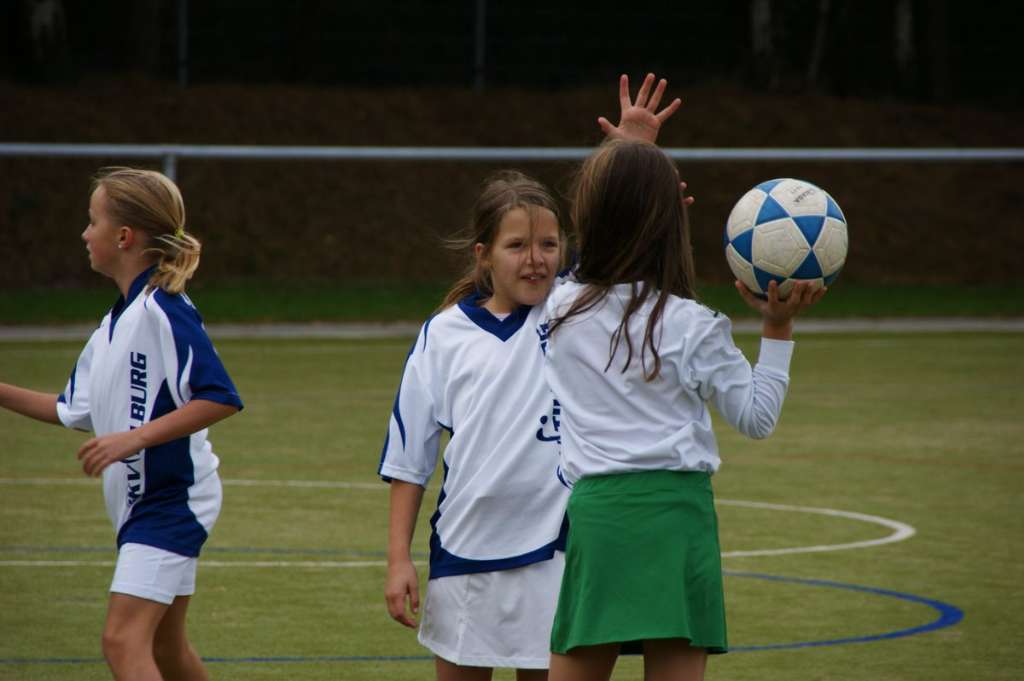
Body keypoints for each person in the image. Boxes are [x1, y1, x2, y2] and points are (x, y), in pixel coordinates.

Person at [380, 74, 682, 681]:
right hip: (464, 551)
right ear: (482, 254)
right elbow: (410, 461)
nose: (536, 258)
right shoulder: (443, 335)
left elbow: (627, 231)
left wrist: (630, 152)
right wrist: (397, 560)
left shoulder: (577, 307)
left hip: (558, 550)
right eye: (517, 245)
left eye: (549, 243)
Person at [541, 139, 826, 681]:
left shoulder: (559, 310)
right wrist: (777, 327)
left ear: (589, 218)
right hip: (677, 518)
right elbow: (757, 418)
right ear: (672, 226)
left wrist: (625, 152)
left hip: (600, 517)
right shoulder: (694, 324)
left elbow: (582, 260)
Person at [0, 167, 242, 681]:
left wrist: (134, 438)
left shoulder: (163, 309)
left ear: (124, 237)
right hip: (143, 504)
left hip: (171, 501)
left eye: (92, 221)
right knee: (166, 649)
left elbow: (219, 396)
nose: (85, 234)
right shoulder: (114, 323)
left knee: (122, 641)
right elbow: (71, 409)